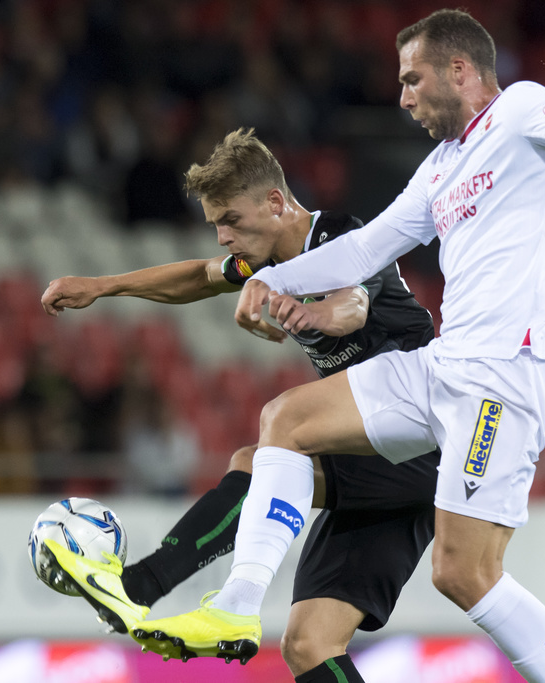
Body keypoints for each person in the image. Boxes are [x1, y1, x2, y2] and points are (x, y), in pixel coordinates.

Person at [134, 10, 545, 683]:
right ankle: (234, 605)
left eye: (412, 79)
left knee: (465, 573)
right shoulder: (441, 168)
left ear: (460, 71)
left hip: (507, 376)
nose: (402, 97)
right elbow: (368, 247)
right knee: (286, 420)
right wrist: (271, 280)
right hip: (445, 363)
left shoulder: (521, 111)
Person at [38, 128, 441, 682]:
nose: (224, 236)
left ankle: (140, 587)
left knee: (262, 458)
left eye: (232, 220)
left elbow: (354, 300)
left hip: (422, 438)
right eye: (216, 225)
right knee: (309, 644)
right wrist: (103, 287)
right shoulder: (265, 259)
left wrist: (323, 315)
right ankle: (161, 593)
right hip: (379, 466)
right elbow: (198, 277)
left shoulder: (343, 239)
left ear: (276, 203)